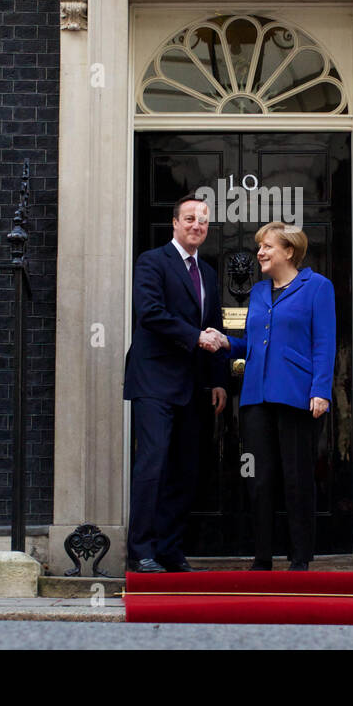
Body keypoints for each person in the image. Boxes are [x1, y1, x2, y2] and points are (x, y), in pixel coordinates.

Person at [201, 222, 336, 571]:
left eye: (267, 247)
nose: (259, 252)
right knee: (260, 480)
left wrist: (321, 390)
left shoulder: (317, 287)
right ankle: (262, 557)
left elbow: (324, 343)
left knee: (297, 478)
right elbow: (253, 344)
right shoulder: (260, 292)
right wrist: (227, 342)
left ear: (289, 251)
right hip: (256, 397)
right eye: (259, 246)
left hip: (296, 396)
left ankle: (300, 557)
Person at [123, 194, 228, 573]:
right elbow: (150, 313)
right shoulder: (152, 262)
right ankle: (141, 551)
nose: (197, 225)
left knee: (185, 469)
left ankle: (168, 548)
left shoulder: (210, 274)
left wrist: (217, 379)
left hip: (193, 385)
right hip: (153, 381)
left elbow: (213, 323)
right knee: (153, 464)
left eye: (203, 220)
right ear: (175, 223)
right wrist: (195, 336)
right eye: (189, 218)